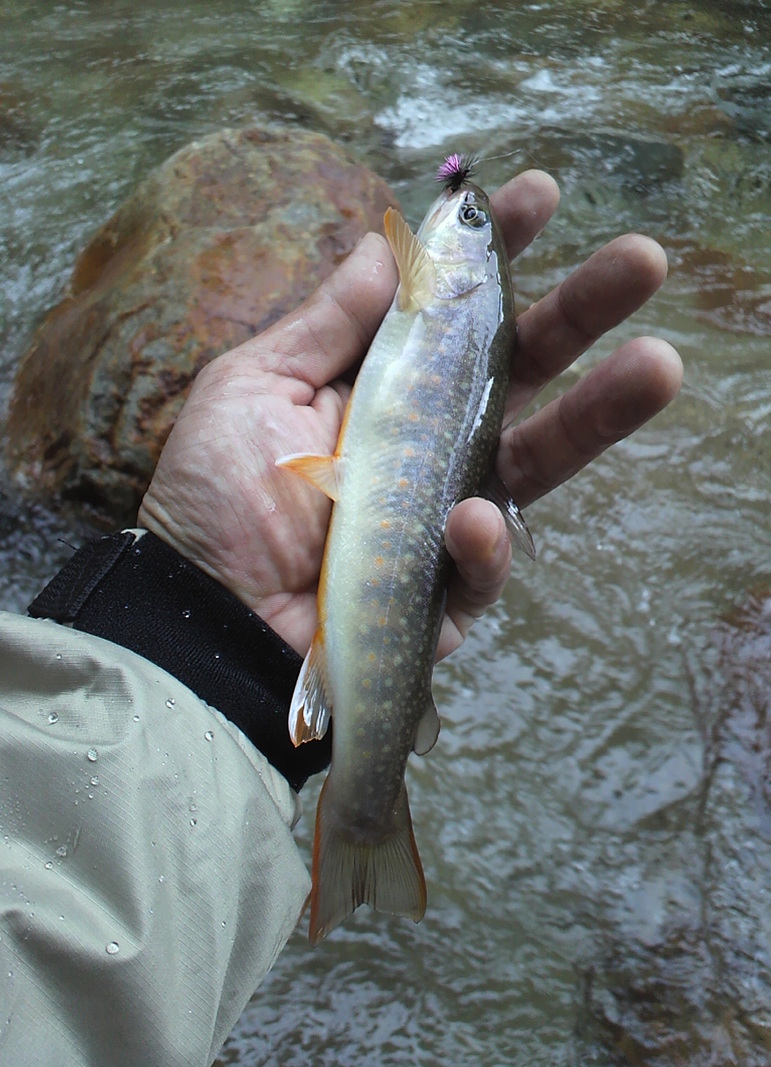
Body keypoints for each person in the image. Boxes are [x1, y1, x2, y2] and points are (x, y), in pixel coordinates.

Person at [0, 169, 682, 1067]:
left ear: (456, 259)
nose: (455, 211)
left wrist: (192, 625)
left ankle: (364, 813)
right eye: (465, 210)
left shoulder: (429, 275)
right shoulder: (430, 282)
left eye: (466, 216)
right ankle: (365, 818)